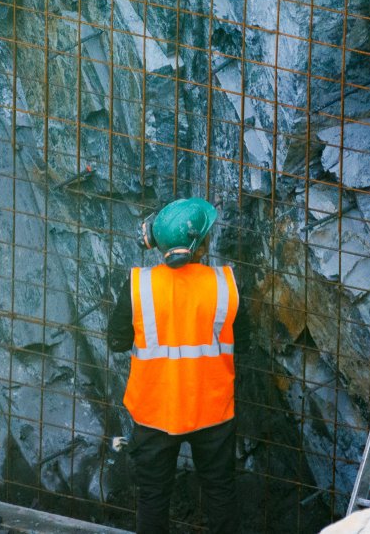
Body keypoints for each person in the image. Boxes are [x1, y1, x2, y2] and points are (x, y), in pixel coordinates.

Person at [107, 198, 251, 534]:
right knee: (220, 493)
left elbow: (116, 340)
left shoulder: (139, 286)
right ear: (201, 246)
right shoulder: (226, 285)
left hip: (155, 411)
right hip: (212, 410)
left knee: (153, 498)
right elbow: (243, 344)